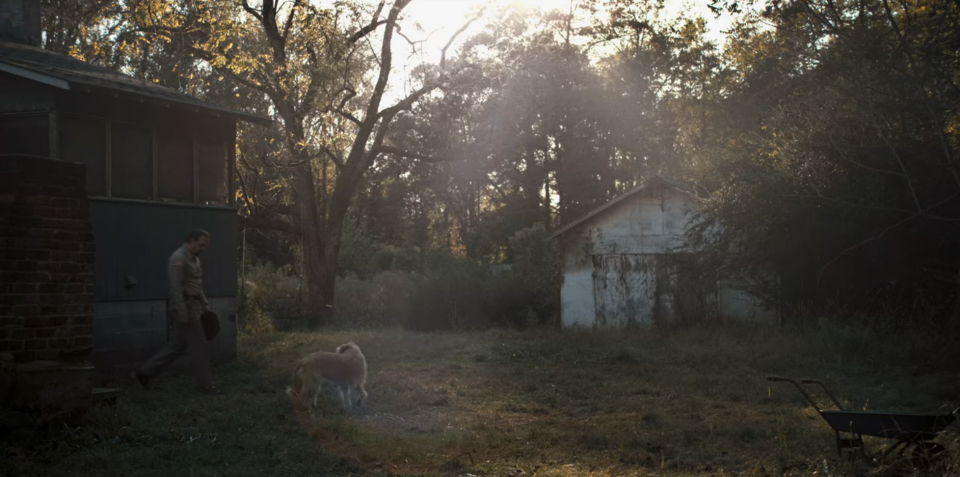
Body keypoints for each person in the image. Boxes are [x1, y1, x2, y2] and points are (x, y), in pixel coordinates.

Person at [130, 229, 222, 395]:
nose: (203, 248)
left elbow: (196, 285)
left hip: (194, 306)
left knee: (176, 347)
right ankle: (206, 386)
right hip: (184, 308)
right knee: (199, 347)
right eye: (201, 244)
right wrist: (182, 311)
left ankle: (143, 372)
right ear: (192, 241)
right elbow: (176, 288)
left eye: (205, 245)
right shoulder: (177, 258)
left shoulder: (195, 260)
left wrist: (205, 305)